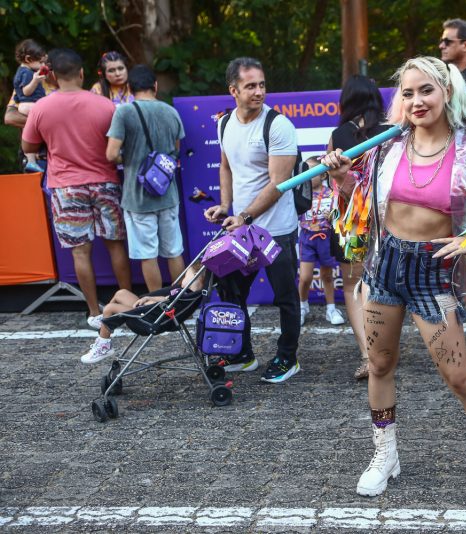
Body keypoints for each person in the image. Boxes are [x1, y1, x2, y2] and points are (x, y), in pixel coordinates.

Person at [322, 56, 466, 507]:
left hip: (432, 274)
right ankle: (384, 456)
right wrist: (342, 178)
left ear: (447, 93)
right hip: (385, 267)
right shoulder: (387, 146)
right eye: (407, 93)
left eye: (425, 90)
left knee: (459, 377)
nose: (416, 101)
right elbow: (364, 203)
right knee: (379, 364)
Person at [203, 57, 302, 382]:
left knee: (285, 298)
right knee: (231, 293)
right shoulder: (223, 123)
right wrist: (225, 205)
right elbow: (226, 166)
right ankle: (243, 354)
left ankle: (288, 358)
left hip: (276, 230)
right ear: (233, 90)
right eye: (250, 86)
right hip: (243, 230)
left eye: (261, 84)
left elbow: (278, 182)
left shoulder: (278, 125)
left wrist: (244, 216)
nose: (258, 91)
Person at [21, 48, 132, 320]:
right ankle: (130, 306)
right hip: (105, 181)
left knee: (81, 252)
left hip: (65, 187)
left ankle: (94, 312)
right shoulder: (105, 105)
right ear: (82, 73)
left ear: (54, 77)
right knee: (116, 245)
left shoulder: (42, 107)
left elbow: (28, 145)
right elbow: (120, 143)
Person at [328, 74, 390, 380]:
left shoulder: (338, 136)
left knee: (354, 287)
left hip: (350, 223)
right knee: (385, 285)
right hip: (389, 221)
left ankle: (368, 355)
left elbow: (335, 185)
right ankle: (386, 349)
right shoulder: (394, 132)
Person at [105, 65, 186, 294]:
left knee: (147, 254)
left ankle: (156, 302)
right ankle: (178, 302)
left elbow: (111, 154)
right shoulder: (171, 112)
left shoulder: (124, 112)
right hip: (168, 194)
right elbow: (176, 150)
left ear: (129, 88)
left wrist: (129, 157)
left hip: (138, 198)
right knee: (174, 251)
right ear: (156, 87)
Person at [80, 263, 204, 364]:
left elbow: (167, 302)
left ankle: (104, 346)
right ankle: (106, 322)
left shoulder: (186, 295)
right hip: (148, 309)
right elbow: (166, 298)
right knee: (121, 293)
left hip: (148, 318)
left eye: (187, 277)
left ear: (197, 281)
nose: (183, 280)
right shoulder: (182, 291)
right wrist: (151, 299)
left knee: (110, 308)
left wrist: (151, 301)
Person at [297, 156, 346, 327]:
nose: (307, 176)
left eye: (312, 172)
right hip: (307, 237)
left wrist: (332, 217)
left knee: (327, 275)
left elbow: (340, 214)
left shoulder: (332, 192)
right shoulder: (301, 193)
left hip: (326, 239)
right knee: (305, 277)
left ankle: (331, 309)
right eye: (305, 172)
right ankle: (302, 306)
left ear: (323, 175)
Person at [12, 39, 48, 172]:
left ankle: (32, 160)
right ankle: (32, 159)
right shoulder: (25, 73)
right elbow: (26, 91)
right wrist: (34, 81)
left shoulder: (27, 71)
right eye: (40, 62)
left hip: (29, 104)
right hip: (28, 104)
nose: (42, 65)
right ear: (28, 59)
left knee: (31, 130)